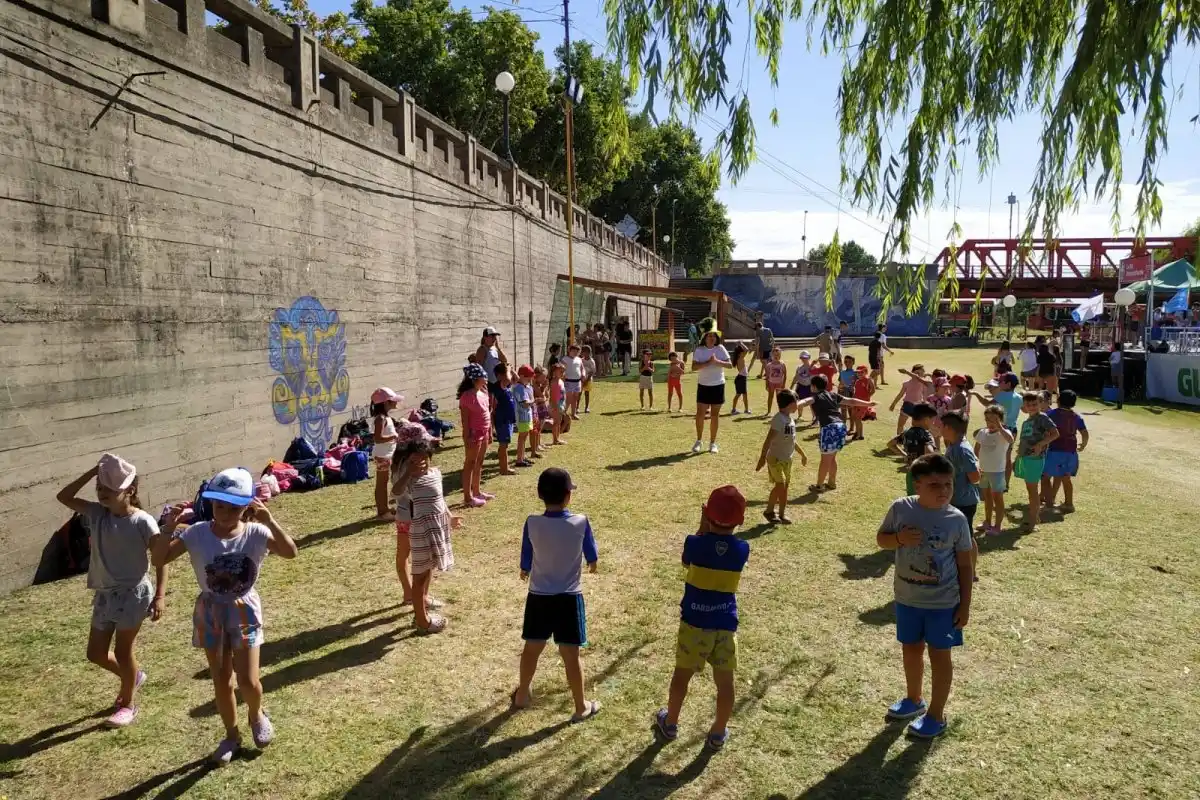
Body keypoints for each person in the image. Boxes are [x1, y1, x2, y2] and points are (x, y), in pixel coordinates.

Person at [154, 468, 299, 765]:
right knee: (221, 680)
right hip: (211, 611)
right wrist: (168, 529)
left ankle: (256, 715)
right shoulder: (196, 533)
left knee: (248, 680)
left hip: (244, 609)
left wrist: (270, 520)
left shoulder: (256, 533)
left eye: (234, 507)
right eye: (220, 505)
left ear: (247, 507)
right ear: (211, 503)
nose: (225, 512)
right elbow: (159, 558)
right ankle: (231, 735)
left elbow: (290, 552)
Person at [56, 454, 166, 729]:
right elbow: (64, 496)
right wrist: (93, 472)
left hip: (133, 594)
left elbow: (162, 557)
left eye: (110, 489)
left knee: (123, 650)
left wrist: (160, 596)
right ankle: (133, 676)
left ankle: (128, 704)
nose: (103, 494)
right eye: (100, 488)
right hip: (105, 595)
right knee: (95, 653)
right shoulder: (96, 514)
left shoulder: (142, 521)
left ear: (130, 490)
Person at [876, 454, 974, 739]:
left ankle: (936, 714)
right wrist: (898, 540)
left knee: (940, 656)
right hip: (907, 599)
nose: (943, 490)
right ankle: (913, 700)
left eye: (948, 484)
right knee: (911, 649)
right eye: (934, 485)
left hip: (943, 604)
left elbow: (965, 564)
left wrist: (965, 605)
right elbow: (881, 539)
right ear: (916, 485)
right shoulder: (901, 509)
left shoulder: (956, 520)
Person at [653, 485, 750, 751]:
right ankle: (718, 732)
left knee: (681, 677)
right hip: (725, 625)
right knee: (725, 683)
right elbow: (723, 548)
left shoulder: (694, 543)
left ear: (707, 514)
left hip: (694, 624)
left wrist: (701, 526)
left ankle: (670, 723)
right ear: (741, 520)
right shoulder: (743, 549)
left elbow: (687, 561)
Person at [511, 468, 601, 722]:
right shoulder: (580, 521)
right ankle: (580, 706)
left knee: (531, 648)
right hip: (568, 598)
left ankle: (521, 696)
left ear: (540, 495)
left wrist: (524, 568)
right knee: (571, 654)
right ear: (568, 495)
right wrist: (592, 562)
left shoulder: (532, 522)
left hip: (539, 596)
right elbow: (590, 550)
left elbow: (526, 551)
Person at [391, 429, 460, 634]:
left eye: (424, 458)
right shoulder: (406, 476)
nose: (420, 463)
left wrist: (450, 517)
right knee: (418, 573)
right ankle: (422, 620)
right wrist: (408, 474)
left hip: (434, 529)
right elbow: (395, 492)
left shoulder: (435, 474)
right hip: (417, 528)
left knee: (427, 569)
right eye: (414, 459)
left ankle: (421, 608)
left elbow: (439, 501)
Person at [796, 374, 875, 491]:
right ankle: (831, 483)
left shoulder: (816, 396)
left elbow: (807, 401)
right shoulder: (833, 395)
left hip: (829, 428)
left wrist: (793, 405)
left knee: (825, 460)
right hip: (841, 426)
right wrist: (868, 404)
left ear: (813, 386)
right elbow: (851, 401)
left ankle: (819, 485)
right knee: (832, 458)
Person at [757, 389, 809, 523]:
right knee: (781, 485)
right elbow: (768, 440)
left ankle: (779, 513)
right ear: (789, 404)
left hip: (787, 460)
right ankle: (770, 511)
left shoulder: (790, 420)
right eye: (796, 401)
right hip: (775, 459)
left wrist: (803, 454)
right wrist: (762, 458)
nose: (798, 403)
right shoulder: (778, 419)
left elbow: (792, 440)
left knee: (783, 488)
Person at [941, 410, 981, 575]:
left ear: (950, 428)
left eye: (942, 425)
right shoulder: (953, 445)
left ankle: (971, 572)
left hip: (964, 501)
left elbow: (975, 477)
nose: (940, 427)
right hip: (956, 499)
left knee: (967, 537)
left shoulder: (961, 450)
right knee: (959, 536)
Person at [1013, 392, 1060, 532]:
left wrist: (1041, 444)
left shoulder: (1042, 418)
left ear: (1040, 404)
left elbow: (1055, 433)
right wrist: (1018, 455)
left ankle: (1033, 522)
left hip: (1035, 458)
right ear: (1024, 406)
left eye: (1035, 404)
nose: (1032, 407)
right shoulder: (1028, 421)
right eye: (1029, 405)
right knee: (1030, 490)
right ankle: (1036, 517)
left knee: (1032, 491)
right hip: (1025, 458)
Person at [1042, 390, 1088, 512]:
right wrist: (1083, 444)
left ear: (1058, 400)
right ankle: (1069, 504)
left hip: (1055, 450)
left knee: (1045, 476)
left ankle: (1049, 504)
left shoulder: (1051, 414)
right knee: (1066, 478)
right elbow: (1084, 432)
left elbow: (1044, 429)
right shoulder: (1076, 417)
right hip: (1071, 452)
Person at [973, 404, 1014, 535]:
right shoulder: (982, 433)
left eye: (994, 420)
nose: (990, 423)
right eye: (988, 420)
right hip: (983, 471)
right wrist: (977, 464)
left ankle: (997, 526)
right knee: (987, 497)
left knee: (998, 499)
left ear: (1002, 420)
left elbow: (1011, 439)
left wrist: (1000, 426)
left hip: (997, 472)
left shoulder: (1004, 433)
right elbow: (976, 449)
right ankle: (987, 521)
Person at [691, 329, 733, 454]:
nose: (711, 338)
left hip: (718, 385)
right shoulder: (699, 350)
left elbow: (730, 365)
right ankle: (699, 441)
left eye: (713, 336)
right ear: (704, 337)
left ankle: (713, 443)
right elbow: (694, 367)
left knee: (715, 415)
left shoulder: (720, 348)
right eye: (709, 336)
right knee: (700, 414)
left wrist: (717, 362)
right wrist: (708, 362)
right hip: (703, 385)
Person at [457, 364, 492, 507]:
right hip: (473, 434)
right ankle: (467, 497)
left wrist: (489, 432)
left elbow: (487, 415)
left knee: (479, 462)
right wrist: (467, 437)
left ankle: (477, 491)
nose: (486, 379)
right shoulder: (466, 397)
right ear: (475, 379)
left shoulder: (483, 394)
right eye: (483, 377)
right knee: (470, 463)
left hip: (484, 432)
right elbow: (465, 421)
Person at [889, 403, 937, 496]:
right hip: (925, 477)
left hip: (911, 474)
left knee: (913, 503)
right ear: (927, 420)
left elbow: (891, 444)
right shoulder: (926, 435)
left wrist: (905, 455)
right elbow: (930, 453)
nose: (933, 423)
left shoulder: (907, 432)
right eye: (933, 420)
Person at [371, 387, 401, 520]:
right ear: (385, 403)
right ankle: (382, 512)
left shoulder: (385, 418)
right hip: (383, 455)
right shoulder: (380, 419)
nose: (395, 402)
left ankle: (385, 509)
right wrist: (393, 437)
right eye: (392, 400)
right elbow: (377, 438)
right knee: (382, 483)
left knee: (384, 482)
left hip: (386, 454)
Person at [890, 365, 931, 436]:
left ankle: (913, 441)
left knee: (916, 426)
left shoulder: (923, 383)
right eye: (918, 371)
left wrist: (926, 405)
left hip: (918, 407)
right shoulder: (906, 383)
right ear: (913, 372)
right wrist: (893, 404)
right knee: (900, 425)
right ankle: (899, 441)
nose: (920, 373)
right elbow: (900, 395)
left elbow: (925, 395)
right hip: (907, 405)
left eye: (922, 371)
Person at [492, 365, 517, 476]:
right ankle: (504, 469)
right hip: (502, 420)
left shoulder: (506, 386)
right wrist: (507, 369)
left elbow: (516, 379)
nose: (510, 376)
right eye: (508, 373)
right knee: (503, 445)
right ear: (500, 376)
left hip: (508, 419)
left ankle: (503, 465)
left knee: (504, 445)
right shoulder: (498, 386)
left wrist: (510, 369)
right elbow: (508, 379)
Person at [475, 326, 509, 405]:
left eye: (495, 336)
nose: (494, 338)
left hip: (497, 382)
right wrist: (483, 384)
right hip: (488, 384)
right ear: (485, 337)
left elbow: (504, 360)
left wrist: (498, 347)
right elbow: (478, 368)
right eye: (492, 336)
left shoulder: (495, 349)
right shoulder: (482, 350)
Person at [513, 365, 536, 467]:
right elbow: (525, 403)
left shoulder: (527, 387)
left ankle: (522, 457)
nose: (530, 379)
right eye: (527, 377)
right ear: (521, 376)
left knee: (524, 437)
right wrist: (533, 401)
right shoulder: (519, 388)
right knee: (522, 437)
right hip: (522, 416)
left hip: (527, 415)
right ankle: (519, 459)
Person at [849, 364, 876, 440]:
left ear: (866, 372)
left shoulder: (868, 380)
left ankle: (860, 435)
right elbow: (856, 392)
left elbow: (873, 390)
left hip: (863, 403)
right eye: (858, 372)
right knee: (854, 417)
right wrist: (852, 401)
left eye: (861, 372)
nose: (859, 374)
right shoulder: (857, 381)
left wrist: (867, 398)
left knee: (858, 418)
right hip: (856, 401)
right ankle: (858, 432)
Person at [763, 346, 787, 418]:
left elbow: (785, 375)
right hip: (771, 383)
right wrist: (766, 385)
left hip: (779, 383)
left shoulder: (782, 364)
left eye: (778, 355)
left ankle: (781, 411)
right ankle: (769, 411)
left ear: (780, 355)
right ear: (772, 355)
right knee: (770, 397)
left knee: (779, 398)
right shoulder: (769, 365)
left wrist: (783, 384)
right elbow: (767, 376)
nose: (776, 356)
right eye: (775, 355)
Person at [562, 343, 585, 420]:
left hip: (577, 382)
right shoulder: (565, 359)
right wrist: (563, 375)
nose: (575, 353)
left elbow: (582, 368)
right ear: (569, 351)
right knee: (569, 398)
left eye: (577, 351)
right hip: (568, 381)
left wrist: (583, 374)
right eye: (573, 351)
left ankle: (573, 413)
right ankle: (563, 413)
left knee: (575, 397)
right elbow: (562, 369)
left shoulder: (579, 359)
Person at [531, 365, 550, 456]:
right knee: (537, 428)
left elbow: (547, 396)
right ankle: (536, 445)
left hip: (542, 407)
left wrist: (545, 389)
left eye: (545, 377)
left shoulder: (541, 385)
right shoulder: (534, 385)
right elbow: (541, 395)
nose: (544, 379)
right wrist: (544, 388)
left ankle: (539, 443)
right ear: (536, 377)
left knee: (540, 427)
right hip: (537, 408)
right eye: (542, 377)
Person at [549, 361, 569, 444]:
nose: (562, 373)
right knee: (556, 422)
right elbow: (553, 397)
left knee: (559, 421)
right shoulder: (554, 382)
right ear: (554, 372)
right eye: (561, 371)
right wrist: (555, 407)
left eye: (563, 371)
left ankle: (557, 438)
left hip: (561, 404)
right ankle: (555, 439)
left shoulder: (560, 381)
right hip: (556, 405)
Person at [791, 351, 813, 423]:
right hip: (800, 387)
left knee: (812, 403)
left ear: (809, 357)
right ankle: (800, 416)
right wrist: (791, 387)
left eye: (805, 358)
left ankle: (814, 417)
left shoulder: (813, 367)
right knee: (799, 402)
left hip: (810, 387)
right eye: (802, 358)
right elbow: (796, 377)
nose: (804, 359)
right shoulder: (799, 368)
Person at [730, 343, 751, 415]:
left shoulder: (739, 358)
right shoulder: (740, 358)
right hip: (741, 379)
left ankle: (746, 409)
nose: (744, 353)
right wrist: (741, 343)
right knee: (739, 394)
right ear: (740, 353)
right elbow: (747, 349)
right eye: (742, 351)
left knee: (743, 395)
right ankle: (734, 410)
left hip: (741, 378)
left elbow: (746, 350)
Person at [580, 345, 597, 413]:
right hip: (581, 379)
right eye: (584, 352)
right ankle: (577, 407)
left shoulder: (591, 361)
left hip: (588, 379)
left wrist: (587, 380)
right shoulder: (581, 360)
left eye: (587, 352)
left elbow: (592, 371)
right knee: (579, 393)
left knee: (587, 393)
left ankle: (587, 407)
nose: (585, 354)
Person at [1110, 342, 1124, 409]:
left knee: (1114, 381)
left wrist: (1111, 362)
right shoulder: (1120, 353)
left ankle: (1115, 388)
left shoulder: (1114, 353)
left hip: (1114, 367)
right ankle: (1117, 390)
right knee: (1117, 382)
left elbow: (1110, 359)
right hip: (1117, 367)